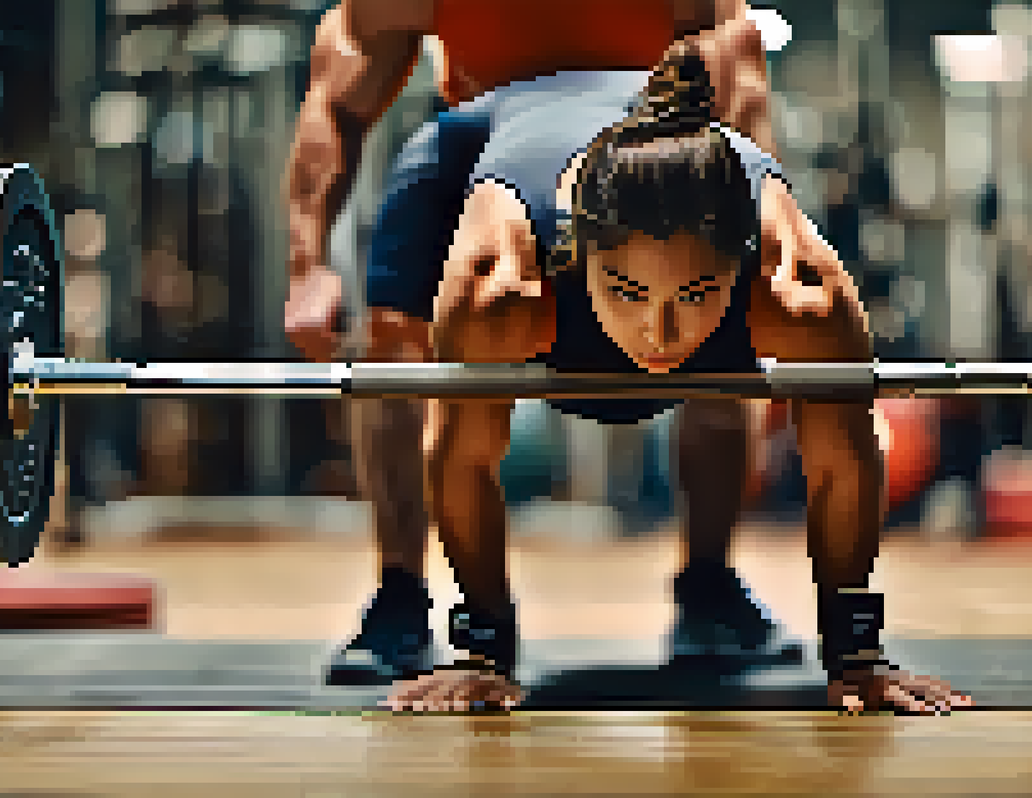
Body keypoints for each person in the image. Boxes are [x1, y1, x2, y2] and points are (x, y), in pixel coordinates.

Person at [379, 44, 976, 714]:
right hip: (492, 129)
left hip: (665, 155)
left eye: (695, 294)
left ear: (739, 265)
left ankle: (709, 590)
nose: (661, 334)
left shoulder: (801, 290)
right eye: (628, 292)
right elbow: (462, 456)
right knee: (391, 352)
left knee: (766, 404)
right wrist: (482, 653)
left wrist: (856, 655)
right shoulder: (500, 285)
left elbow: (843, 461)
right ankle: (395, 600)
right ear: (577, 259)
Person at [284, 0, 792, 686]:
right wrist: (306, 267)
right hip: (489, 146)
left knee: (729, 335)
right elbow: (335, 104)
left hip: (645, 152)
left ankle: (709, 589)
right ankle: (401, 598)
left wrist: (760, 234)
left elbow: (744, 80)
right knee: (395, 336)